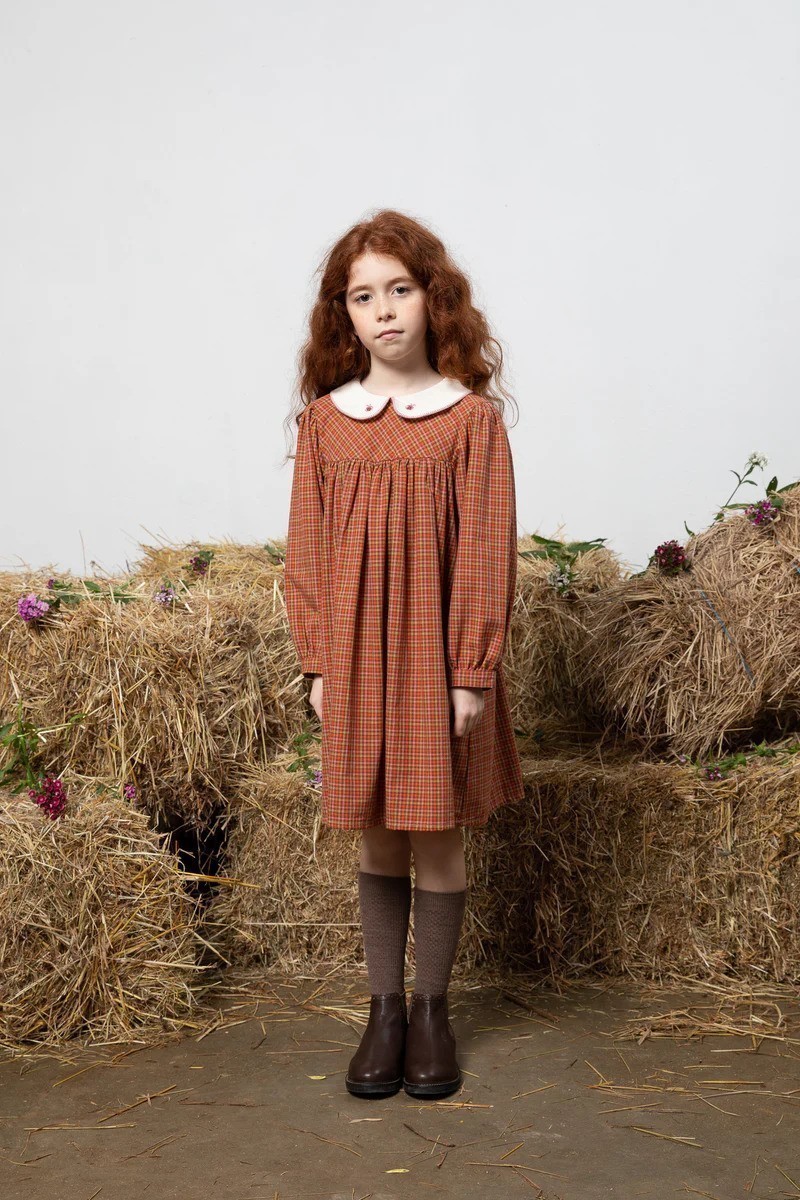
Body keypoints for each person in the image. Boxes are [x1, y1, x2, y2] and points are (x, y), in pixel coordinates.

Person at [283, 209, 524, 1100]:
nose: (383, 310)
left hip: (435, 661)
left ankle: (432, 1011)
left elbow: (487, 552)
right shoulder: (326, 424)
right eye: (362, 296)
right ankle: (382, 1010)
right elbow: (306, 552)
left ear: (433, 299)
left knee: (437, 834)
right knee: (378, 837)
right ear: (342, 315)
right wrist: (317, 663)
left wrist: (471, 671)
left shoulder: (469, 422)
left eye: (400, 289)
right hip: (355, 659)